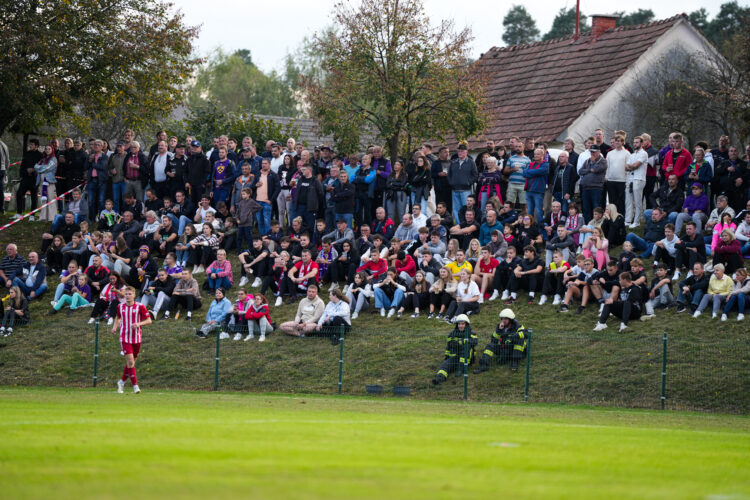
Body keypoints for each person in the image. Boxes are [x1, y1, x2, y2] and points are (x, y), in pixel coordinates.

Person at [113, 286, 152, 394]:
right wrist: (115, 327)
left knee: (131, 364)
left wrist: (139, 323)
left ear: (134, 295)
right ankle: (135, 387)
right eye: (126, 294)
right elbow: (118, 317)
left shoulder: (140, 306)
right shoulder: (120, 306)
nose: (128, 296)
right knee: (130, 361)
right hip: (125, 337)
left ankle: (121, 382)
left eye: (130, 294)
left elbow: (149, 320)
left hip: (137, 338)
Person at [474, 308, 528, 373]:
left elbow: (526, 334)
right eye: (502, 318)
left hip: (516, 351)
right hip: (505, 349)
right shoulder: (500, 327)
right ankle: (483, 365)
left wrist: (512, 338)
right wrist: (499, 330)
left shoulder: (518, 326)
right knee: (490, 345)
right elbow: (493, 340)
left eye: (505, 319)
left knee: (520, 340)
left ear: (510, 319)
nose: (503, 320)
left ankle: (514, 362)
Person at [431, 314, 478, 385]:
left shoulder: (471, 333)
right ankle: (439, 378)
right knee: (445, 365)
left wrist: (461, 342)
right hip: (455, 356)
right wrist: (447, 356)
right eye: (459, 324)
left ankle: (460, 369)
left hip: (467, 359)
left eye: (462, 324)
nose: (460, 326)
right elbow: (448, 346)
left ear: (466, 324)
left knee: (467, 346)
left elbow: (475, 342)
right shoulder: (452, 334)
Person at [578, 144, 608, 223]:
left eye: (594, 152)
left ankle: (597, 225)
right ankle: (588, 224)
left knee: (596, 209)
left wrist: (590, 167)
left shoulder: (603, 161)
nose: (592, 153)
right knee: (586, 208)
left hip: (596, 188)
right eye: (591, 152)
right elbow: (580, 171)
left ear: (599, 152)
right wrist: (589, 169)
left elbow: (596, 169)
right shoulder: (587, 161)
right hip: (585, 188)